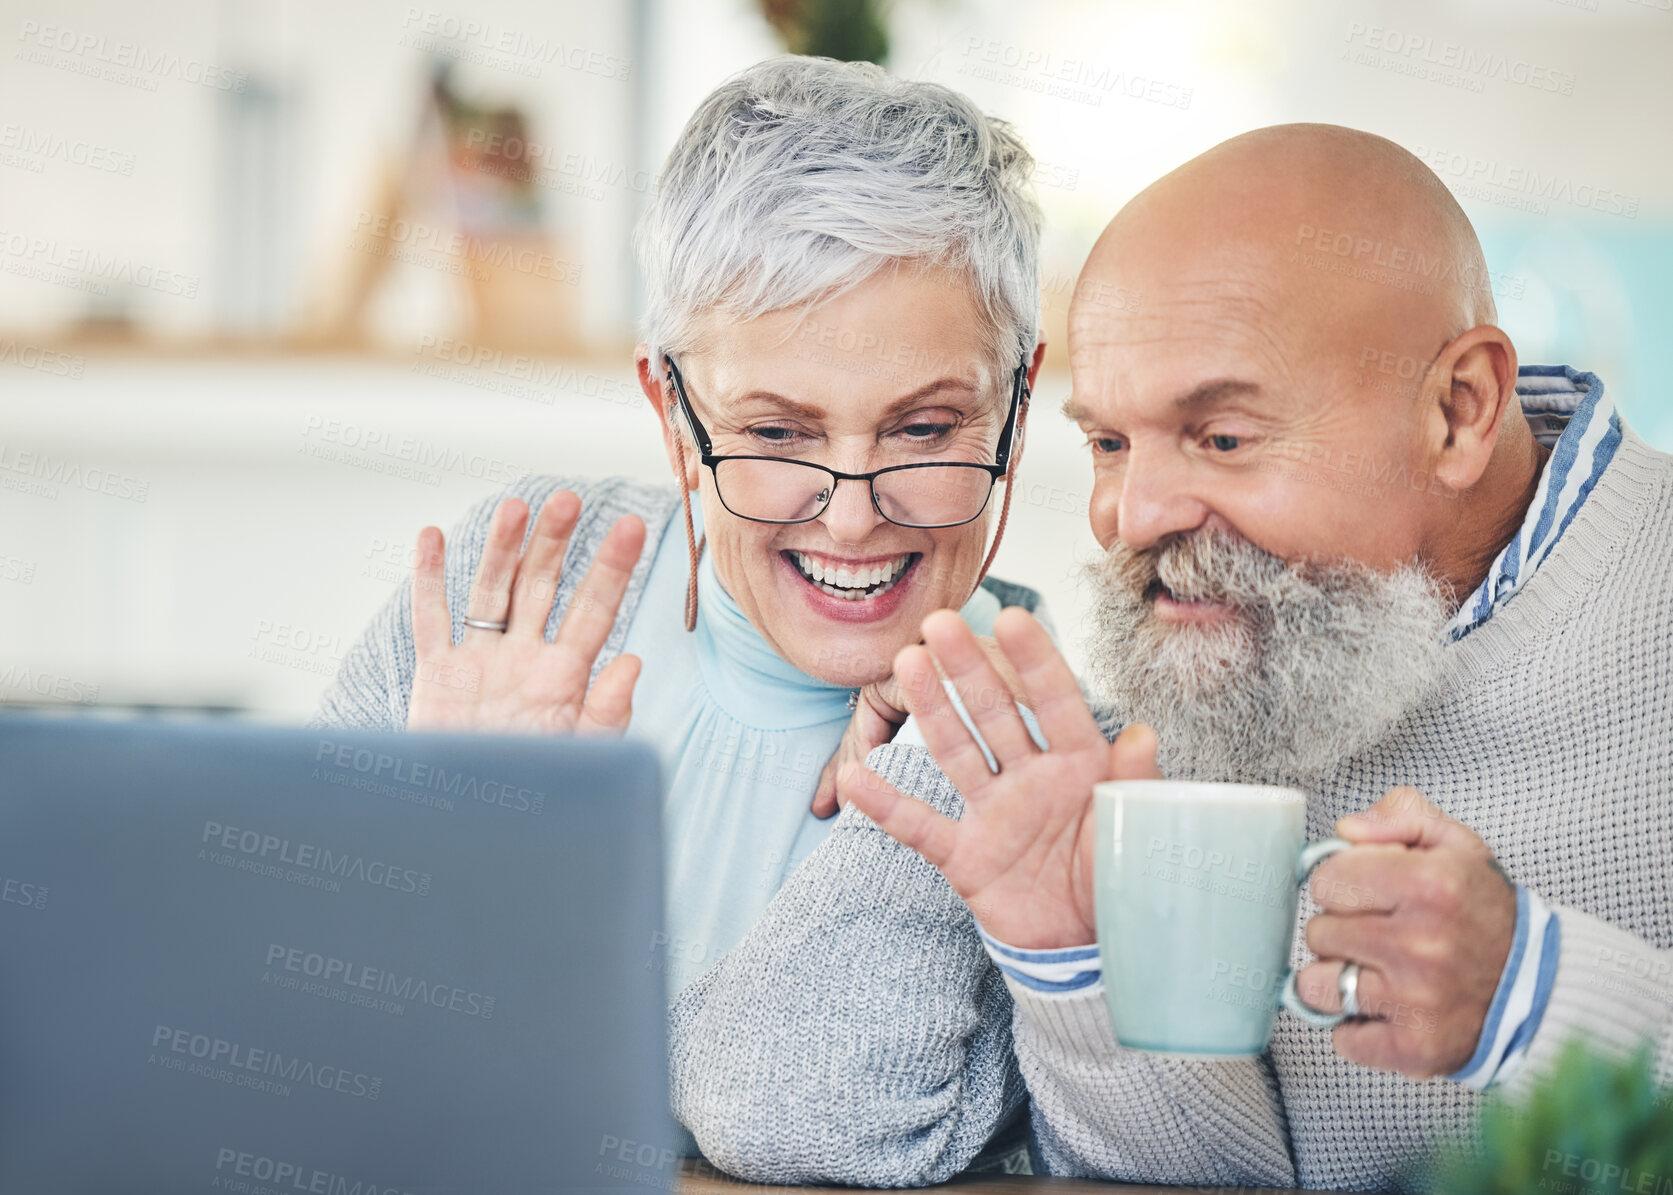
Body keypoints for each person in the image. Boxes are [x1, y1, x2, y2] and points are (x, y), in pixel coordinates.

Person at [672, 123, 1672, 1191]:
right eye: (1106, 442)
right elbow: (779, 1113)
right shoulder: (1182, 668)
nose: (1129, 515)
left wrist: (1536, 993)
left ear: (1456, 410)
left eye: (1220, 438)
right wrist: (1064, 953)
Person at [309, 55, 1049, 1158]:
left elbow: (809, 1130)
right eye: (778, 433)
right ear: (670, 410)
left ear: (1017, 405)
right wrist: (447, 857)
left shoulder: (1034, 750)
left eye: (923, 430)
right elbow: (286, 1052)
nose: (850, 520)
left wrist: (918, 778)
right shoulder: (516, 591)